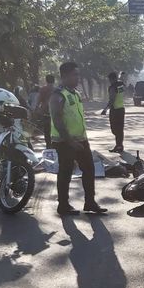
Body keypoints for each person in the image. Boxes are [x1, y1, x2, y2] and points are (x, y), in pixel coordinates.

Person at [49, 62, 107, 216]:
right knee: (65, 173)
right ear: (65, 76)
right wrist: (70, 141)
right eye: (75, 75)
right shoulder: (58, 95)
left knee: (89, 169)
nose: (78, 78)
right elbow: (57, 120)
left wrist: (81, 139)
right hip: (65, 142)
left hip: (81, 140)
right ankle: (63, 205)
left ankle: (90, 202)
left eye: (78, 74)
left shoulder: (75, 93)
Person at [102, 71, 126, 153]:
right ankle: (119, 145)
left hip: (115, 110)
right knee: (120, 129)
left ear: (111, 79)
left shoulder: (113, 87)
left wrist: (105, 109)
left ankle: (119, 145)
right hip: (121, 109)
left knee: (114, 129)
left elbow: (112, 99)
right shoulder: (121, 85)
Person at [36, 75, 56, 148]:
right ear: (54, 81)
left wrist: (36, 109)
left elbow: (38, 100)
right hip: (55, 113)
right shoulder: (56, 90)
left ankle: (48, 145)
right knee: (55, 130)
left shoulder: (43, 89)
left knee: (47, 131)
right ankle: (55, 145)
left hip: (45, 113)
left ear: (46, 80)